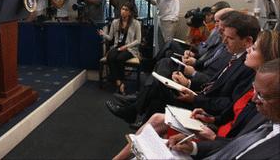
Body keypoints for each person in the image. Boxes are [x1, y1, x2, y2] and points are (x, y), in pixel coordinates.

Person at [112, 30, 279, 160]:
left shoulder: (263, 98)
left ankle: (135, 107)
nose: (223, 39)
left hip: (216, 128)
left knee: (158, 103)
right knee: (164, 69)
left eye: (254, 48)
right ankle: (135, 107)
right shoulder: (251, 78)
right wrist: (212, 119)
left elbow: (235, 131)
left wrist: (195, 94)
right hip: (212, 119)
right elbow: (229, 109)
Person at [168, 58, 280, 160]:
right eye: (254, 89)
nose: (254, 99)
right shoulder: (267, 117)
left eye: (261, 95)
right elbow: (236, 145)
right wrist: (194, 147)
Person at [98, 2, 141, 95]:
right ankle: (120, 83)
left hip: (129, 49)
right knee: (110, 57)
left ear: (129, 12)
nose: (123, 11)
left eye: (126, 10)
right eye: (122, 9)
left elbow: (138, 40)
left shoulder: (136, 23)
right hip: (117, 47)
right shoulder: (115, 22)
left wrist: (126, 46)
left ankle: (119, 82)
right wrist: (103, 34)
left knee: (119, 58)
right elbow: (110, 37)